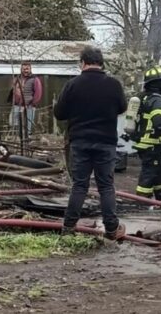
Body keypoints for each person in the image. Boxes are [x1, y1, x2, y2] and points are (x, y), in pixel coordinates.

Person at [54, 46, 126, 240]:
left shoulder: (73, 84)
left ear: (82, 63)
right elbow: (122, 108)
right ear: (101, 63)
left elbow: (59, 113)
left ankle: (68, 228)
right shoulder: (114, 85)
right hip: (106, 142)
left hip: (80, 141)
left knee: (79, 186)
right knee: (106, 186)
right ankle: (112, 229)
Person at [132, 65, 161, 202]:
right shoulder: (157, 100)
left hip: (146, 142)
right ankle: (142, 199)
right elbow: (159, 124)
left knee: (160, 169)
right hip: (152, 143)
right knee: (150, 172)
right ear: (159, 84)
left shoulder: (145, 97)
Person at [11, 62, 43, 137]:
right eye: (24, 69)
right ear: (21, 69)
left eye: (27, 69)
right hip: (17, 105)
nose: (25, 70)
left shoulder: (35, 79)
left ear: (30, 69)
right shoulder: (17, 78)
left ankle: (27, 140)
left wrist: (33, 104)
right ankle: (18, 139)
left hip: (29, 106)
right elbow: (13, 90)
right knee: (15, 123)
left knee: (28, 125)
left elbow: (38, 93)